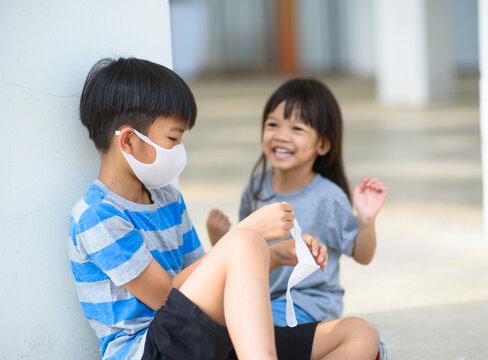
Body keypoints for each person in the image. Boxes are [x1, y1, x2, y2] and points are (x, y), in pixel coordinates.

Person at [69, 58, 382, 360]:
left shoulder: (167, 198)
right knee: (244, 241)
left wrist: (273, 256)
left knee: (359, 333)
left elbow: (208, 281)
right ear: (128, 141)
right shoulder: (98, 216)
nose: (179, 149)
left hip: (203, 337)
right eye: (173, 138)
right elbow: (163, 296)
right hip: (149, 348)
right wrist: (247, 235)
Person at [207, 78, 387, 327]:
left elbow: (362, 255)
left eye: (297, 129)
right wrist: (221, 238)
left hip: (310, 302)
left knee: (256, 332)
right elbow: (247, 253)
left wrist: (366, 220)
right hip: (261, 298)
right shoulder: (256, 188)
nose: (281, 136)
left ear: (322, 144)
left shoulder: (329, 196)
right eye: (273, 125)